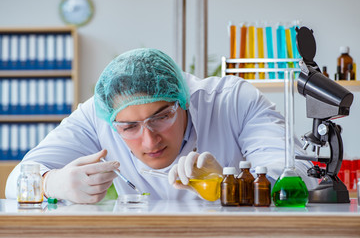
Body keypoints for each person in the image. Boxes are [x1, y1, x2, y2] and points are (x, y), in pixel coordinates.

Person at [6, 48, 317, 204]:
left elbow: (297, 177)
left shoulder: (232, 101)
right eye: (129, 128)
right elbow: (17, 179)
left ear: (183, 100)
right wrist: (52, 182)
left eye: (161, 117)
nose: (149, 139)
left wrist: (229, 181)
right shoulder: (96, 116)